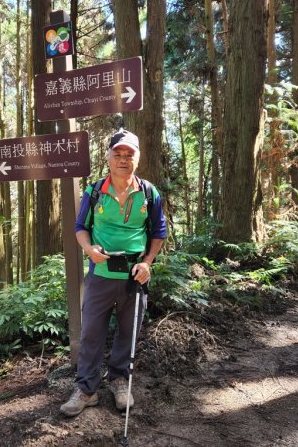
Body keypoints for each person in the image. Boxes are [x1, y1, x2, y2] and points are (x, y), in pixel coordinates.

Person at [60, 128, 167, 417]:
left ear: (137, 159)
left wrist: (147, 262)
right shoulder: (94, 191)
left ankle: (120, 382)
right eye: (117, 154)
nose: (123, 159)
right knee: (92, 332)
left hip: (135, 275)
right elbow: (80, 227)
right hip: (101, 274)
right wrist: (89, 250)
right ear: (108, 158)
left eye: (129, 154)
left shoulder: (149, 192)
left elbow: (158, 232)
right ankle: (86, 389)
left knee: (128, 334)